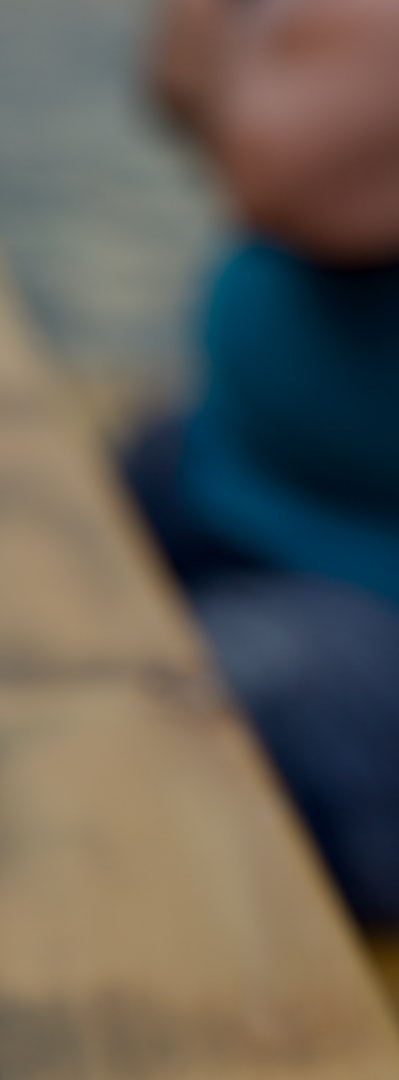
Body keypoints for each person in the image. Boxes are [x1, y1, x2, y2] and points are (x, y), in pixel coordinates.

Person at [135, 0, 399, 922]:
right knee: (21, 523)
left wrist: (260, 42)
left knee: (162, 728)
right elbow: (175, 70)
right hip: (251, 472)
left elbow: (288, 146)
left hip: (374, 593)